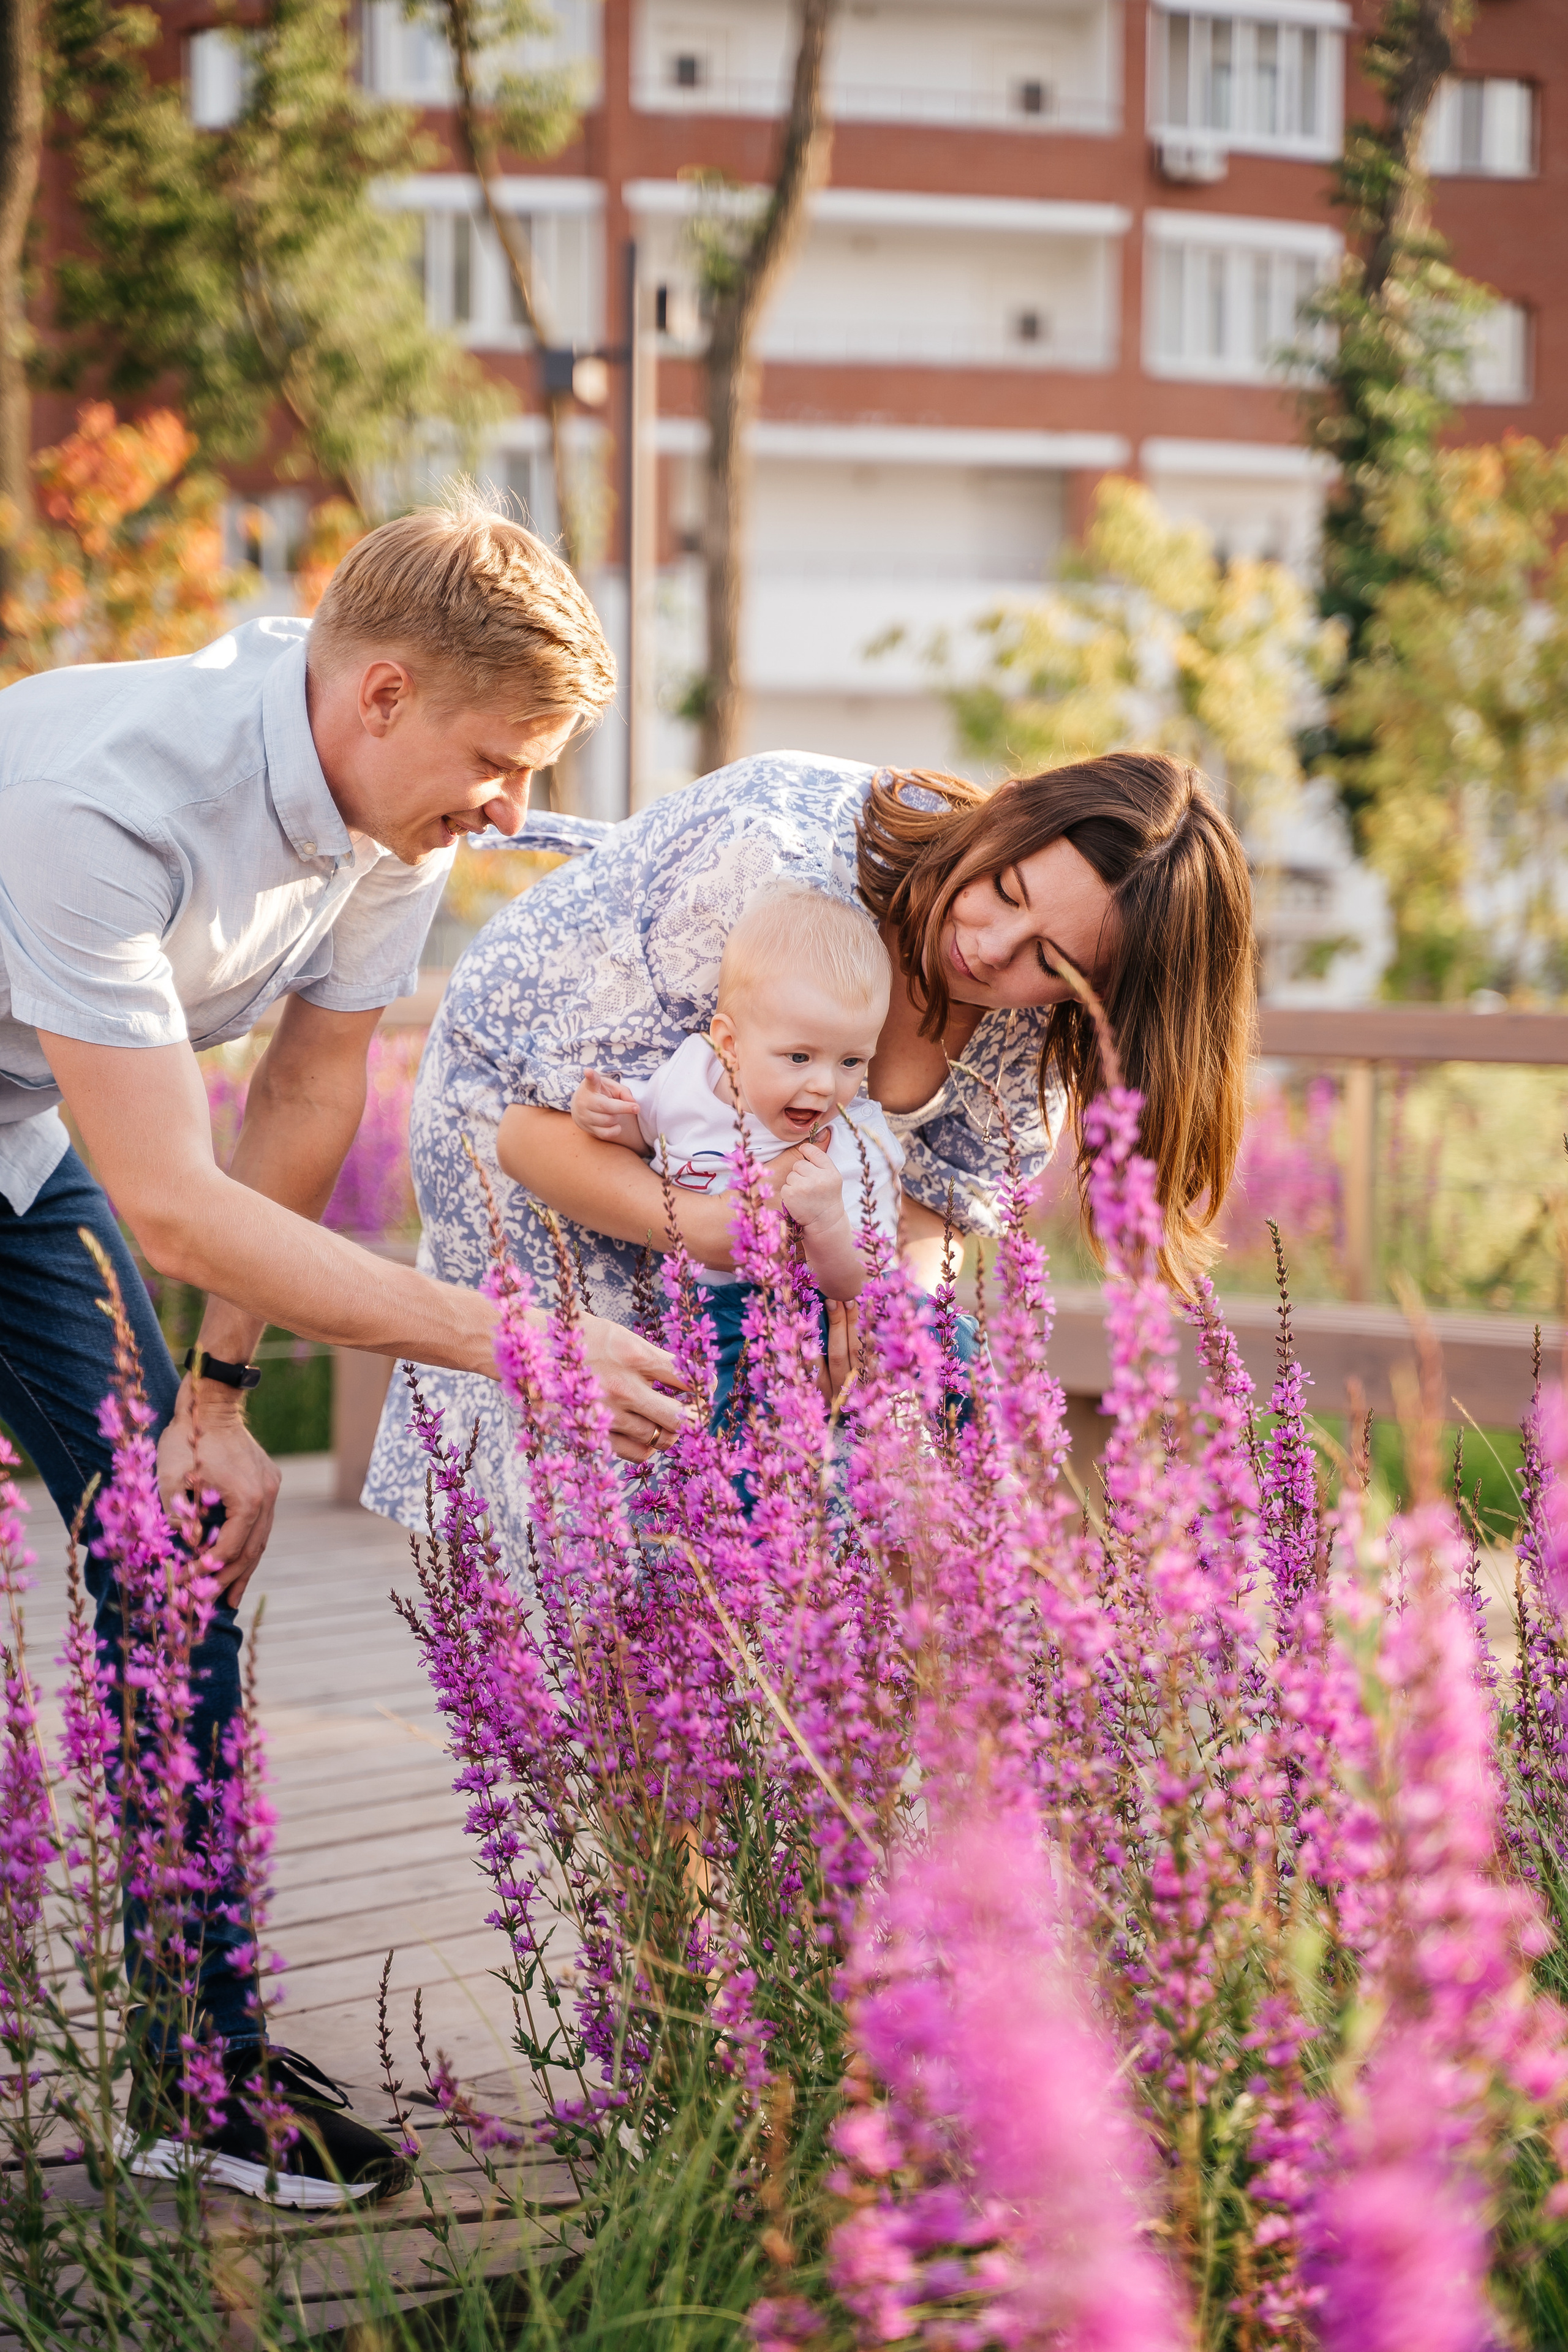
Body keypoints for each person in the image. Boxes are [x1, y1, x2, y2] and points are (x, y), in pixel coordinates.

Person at [0, 488, 684, 2208]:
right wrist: (510, 1341)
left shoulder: (397, 826)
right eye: (495, 760)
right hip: (89, 1163)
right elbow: (168, 1200)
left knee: (171, 1546)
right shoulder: (94, 797)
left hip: (16, 1159)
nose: (511, 810)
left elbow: (307, 1092)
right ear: (378, 693)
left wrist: (220, 1399)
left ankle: (201, 2068)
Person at [364, 748, 1256, 1555]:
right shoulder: (772, 866)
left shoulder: (1034, 1051)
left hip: (770, 1252)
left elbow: (930, 1222)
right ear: (1006, 818)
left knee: (803, 1522)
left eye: (1050, 961)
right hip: (544, 1113)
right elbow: (542, 1128)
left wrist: (860, 1301)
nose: (988, 950)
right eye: (1007, 892)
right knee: (589, 1538)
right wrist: (721, 1232)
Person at [569, 884, 905, 1420]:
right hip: (699, 1313)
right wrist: (602, 1114)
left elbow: (860, 1283)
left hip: (803, 1317)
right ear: (728, 1045)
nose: (824, 1086)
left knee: (947, 1337)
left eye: (851, 1062)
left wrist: (827, 1223)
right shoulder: (690, 1076)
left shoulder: (856, 1147)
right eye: (799, 1056)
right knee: (700, 1439)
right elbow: (646, 1133)